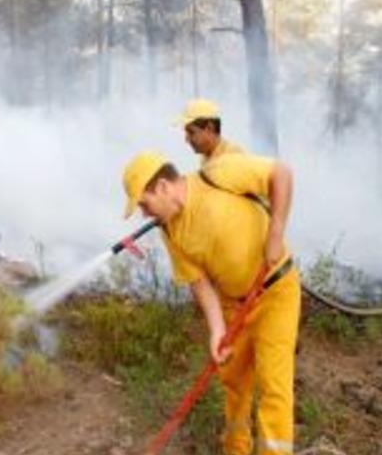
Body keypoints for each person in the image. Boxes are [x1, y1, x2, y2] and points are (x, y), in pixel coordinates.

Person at [122, 150, 300, 454]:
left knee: (274, 387)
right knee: (234, 385)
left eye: (144, 203)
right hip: (234, 305)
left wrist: (276, 232)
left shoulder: (219, 174)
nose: (144, 214)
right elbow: (200, 283)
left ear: (163, 187)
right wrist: (217, 330)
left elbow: (281, 174)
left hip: (275, 292)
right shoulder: (170, 230)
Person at [177, 99, 244, 165]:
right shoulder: (207, 156)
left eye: (191, 132)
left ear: (209, 128)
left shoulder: (233, 158)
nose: (186, 140)